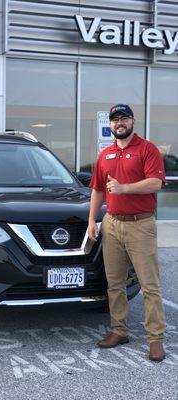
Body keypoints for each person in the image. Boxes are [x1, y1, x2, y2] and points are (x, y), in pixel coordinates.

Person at [87, 104, 166, 362]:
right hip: (112, 224)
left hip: (140, 225)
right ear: (110, 125)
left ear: (133, 121)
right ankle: (119, 331)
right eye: (115, 120)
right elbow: (98, 190)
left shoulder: (147, 149)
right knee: (115, 283)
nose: (119, 123)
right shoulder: (105, 154)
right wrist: (92, 221)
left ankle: (155, 339)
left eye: (123, 118)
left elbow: (155, 183)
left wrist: (124, 189)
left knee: (149, 285)